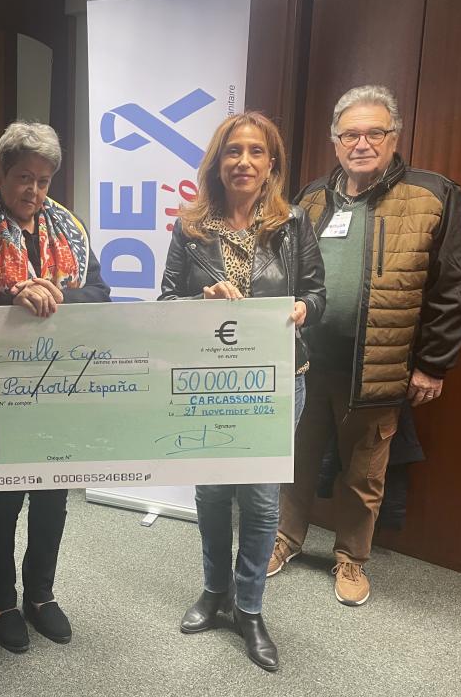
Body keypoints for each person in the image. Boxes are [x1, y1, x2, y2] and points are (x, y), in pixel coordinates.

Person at [270, 85, 461, 606]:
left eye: (374, 132)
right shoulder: (310, 199)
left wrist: (433, 364)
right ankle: (285, 538)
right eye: (350, 135)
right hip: (304, 362)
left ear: (394, 136)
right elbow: (284, 273)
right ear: (335, 141)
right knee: (292, 458)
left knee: (364, 473)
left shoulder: (433, 195)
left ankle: (351, 558)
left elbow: (455, 287)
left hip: (378, 368)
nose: (361, 143)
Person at [159, 112, 325, 671]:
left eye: (256, 151)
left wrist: (302, 308)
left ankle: (249, 607)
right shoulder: (189, 228)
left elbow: (318, 294)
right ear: (218, 161)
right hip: (210, 380)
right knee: (211, 492)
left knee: (259, 498)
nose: (244, 162)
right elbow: (165, 304)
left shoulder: (293, 224)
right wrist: (200, 301)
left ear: (271, 163)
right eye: (233, 151)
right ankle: (215, 591)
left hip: (277, 381)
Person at [0, 121, 111, 653]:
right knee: (1, 502)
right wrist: (10, 300)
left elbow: (100, 294)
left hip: (59, 389)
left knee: (53, 499)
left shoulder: (70, 231)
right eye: (23, 177)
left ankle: (40, 595)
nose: (33, 190)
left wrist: (53, 294)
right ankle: (2, 602)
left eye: (43, 179)